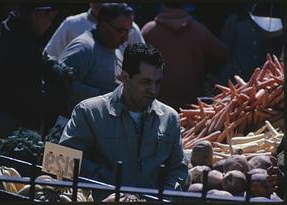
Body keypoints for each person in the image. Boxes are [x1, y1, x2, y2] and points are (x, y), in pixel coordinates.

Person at [59, 43, 189, 195]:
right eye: (146, 82)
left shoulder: (170, 118)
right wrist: (109, 183)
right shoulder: (89, 112)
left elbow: (179, 170)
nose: (153, 90)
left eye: (158, 82)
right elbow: (60, 162)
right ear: (125, 77)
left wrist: (164, 196)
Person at [0, 4, 58, 144]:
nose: (50, 25)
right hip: (11, 122)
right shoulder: (23, 46)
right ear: (39, 14)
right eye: (50, 18)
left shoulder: (5, 31)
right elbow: (28, 96)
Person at [141, 3, 228, 110]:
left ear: (163, 4)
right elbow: (222, 55)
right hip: (191, 107)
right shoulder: (198, 29)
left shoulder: (149, 30)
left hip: (157, 104)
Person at [58, 3, 134, 115]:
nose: (126, 37)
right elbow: (61, 85)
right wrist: (107, 96)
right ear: (103, 26)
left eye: (128, 31)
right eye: (121, 31)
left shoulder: (116, 48)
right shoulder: (83, 48)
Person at [44, 3, 145, 60]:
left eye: (123, 32)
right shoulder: (72, 24)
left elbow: (142, 61)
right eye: (120, 31)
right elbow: (49, 55)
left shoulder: (130, 28)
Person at [218, 4, 284, 84]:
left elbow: (276, 51)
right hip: (237, 79)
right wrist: (225, 82)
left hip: (262, 80)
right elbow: (225, 53)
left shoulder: (273, 22)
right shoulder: (234, 21)